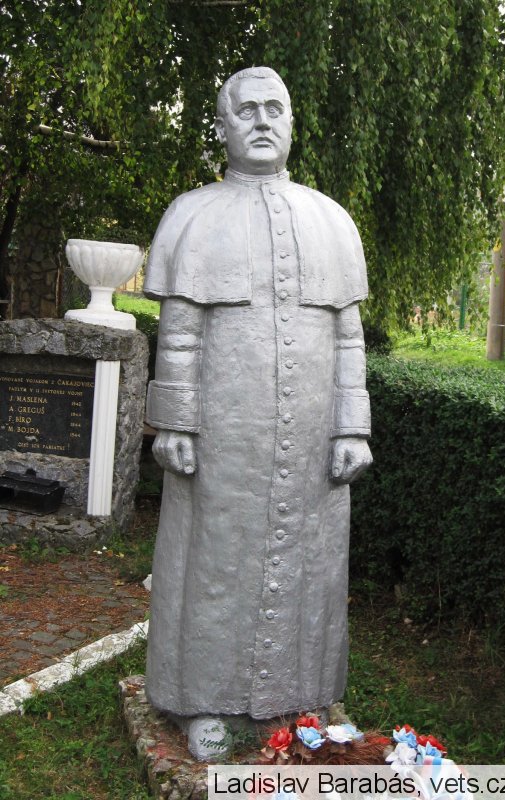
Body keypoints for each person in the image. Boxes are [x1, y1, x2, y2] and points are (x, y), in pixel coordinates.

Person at [143, 66, 372, 758]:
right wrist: (174, 421)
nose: (263, 120)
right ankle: (204, 701)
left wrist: (352, 425)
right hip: (224, 437)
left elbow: (347, 336)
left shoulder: (331, 219)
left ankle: (302, 698)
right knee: (212, 564)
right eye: (246, 111)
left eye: (276, 108)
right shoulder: (191, 215)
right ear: (222, 127)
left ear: (292, 123)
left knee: (312, 566)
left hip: (311, 439)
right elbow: (179, 333)